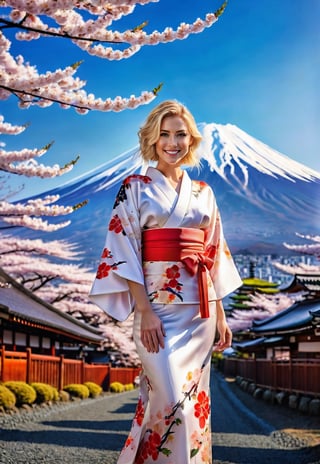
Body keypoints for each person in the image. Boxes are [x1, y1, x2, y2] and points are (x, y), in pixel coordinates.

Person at [89, 100, 242, 464]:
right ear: (153, 140)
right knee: (168, 398)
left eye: (181, 135)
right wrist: (145, 310)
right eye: (165, 135)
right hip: (155, 310)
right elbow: (122, 248)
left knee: (192, 406)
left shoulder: (204, 192)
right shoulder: (135, 187)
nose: (173, 142)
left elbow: (213, 252)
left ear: (192, 140)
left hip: (200, 313)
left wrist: (220, 313)